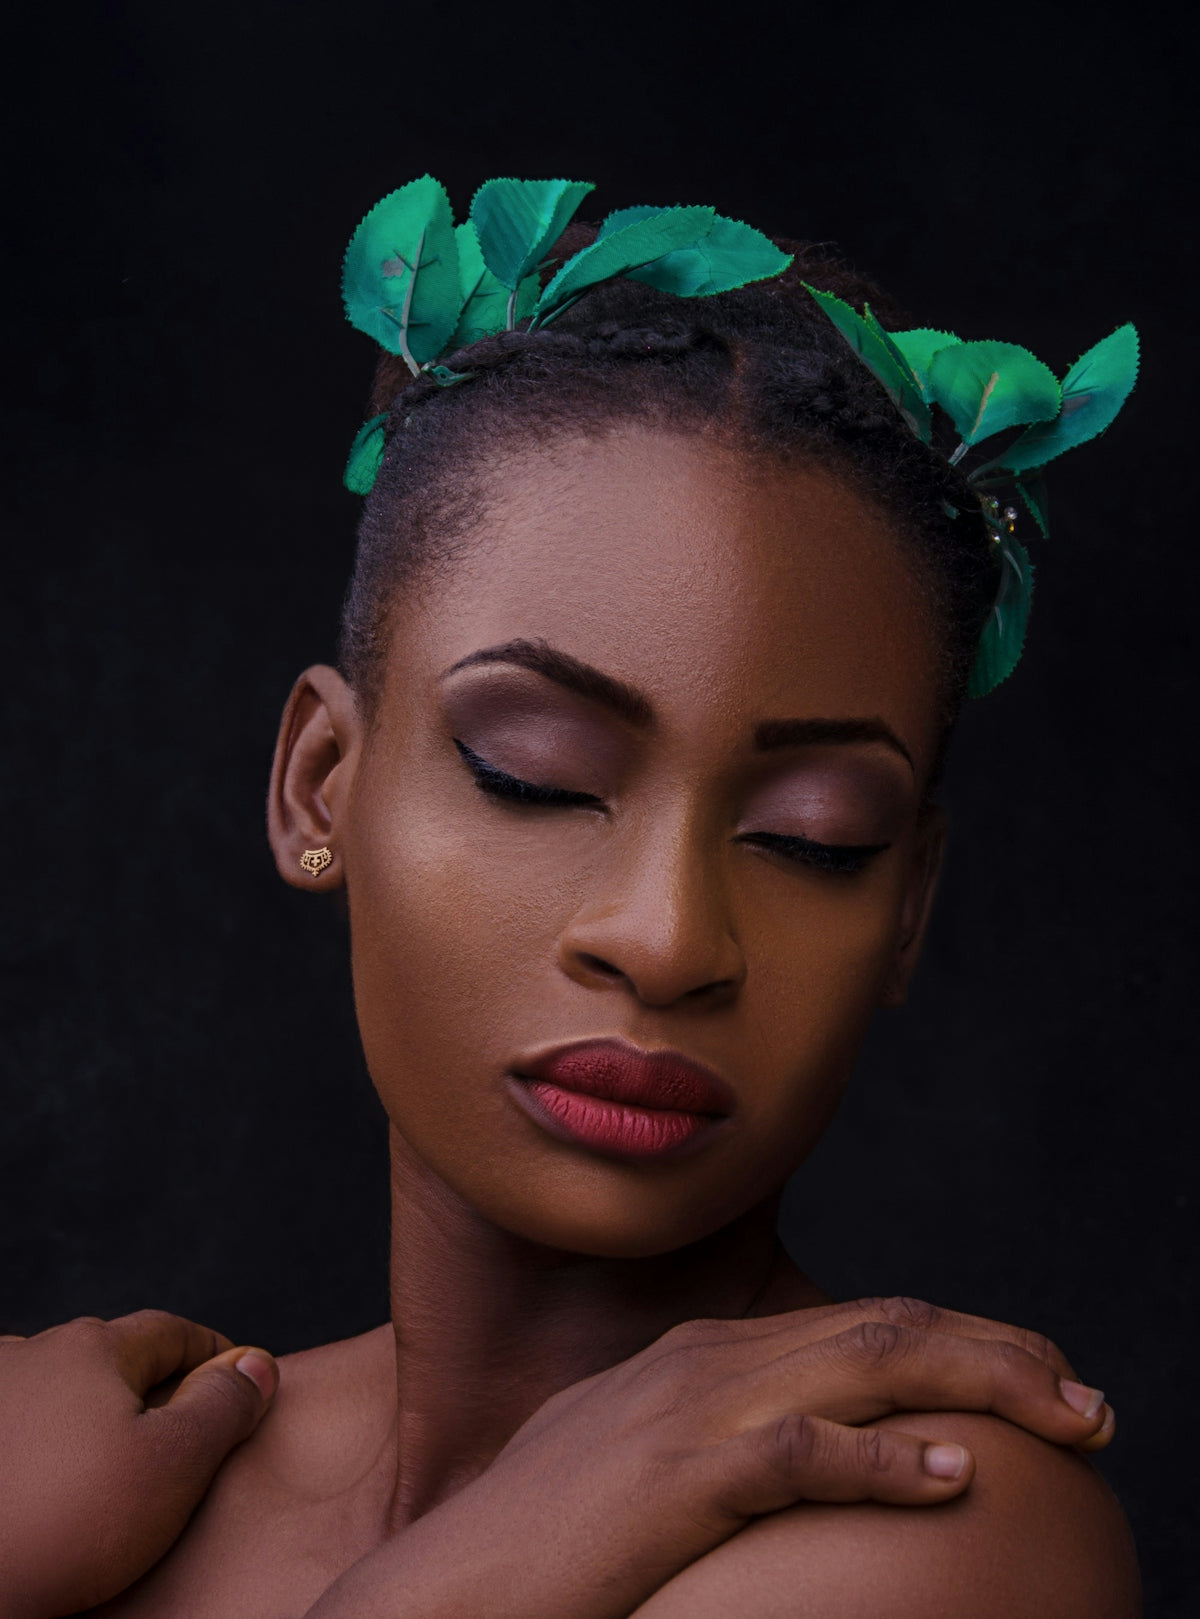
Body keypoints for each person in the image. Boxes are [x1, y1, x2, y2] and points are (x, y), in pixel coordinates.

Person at [0, 178, 1141, 1618]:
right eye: (531, 774)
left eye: (813, 836)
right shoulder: (69, 1481)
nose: (666, 939)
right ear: (321, 787)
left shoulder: (931, 1529)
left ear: (906, 908)